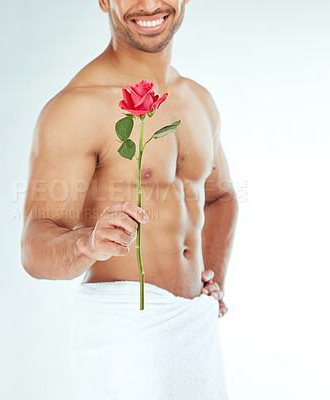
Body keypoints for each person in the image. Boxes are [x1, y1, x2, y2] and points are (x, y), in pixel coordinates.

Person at [21, 1, 238, 399]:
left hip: (195, 325)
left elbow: (221, 196)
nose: (150, 4)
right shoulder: (77, 107)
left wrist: (214, 278)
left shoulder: (198, 100)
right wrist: (87, 243)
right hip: (123, 328)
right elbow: (34, 246)